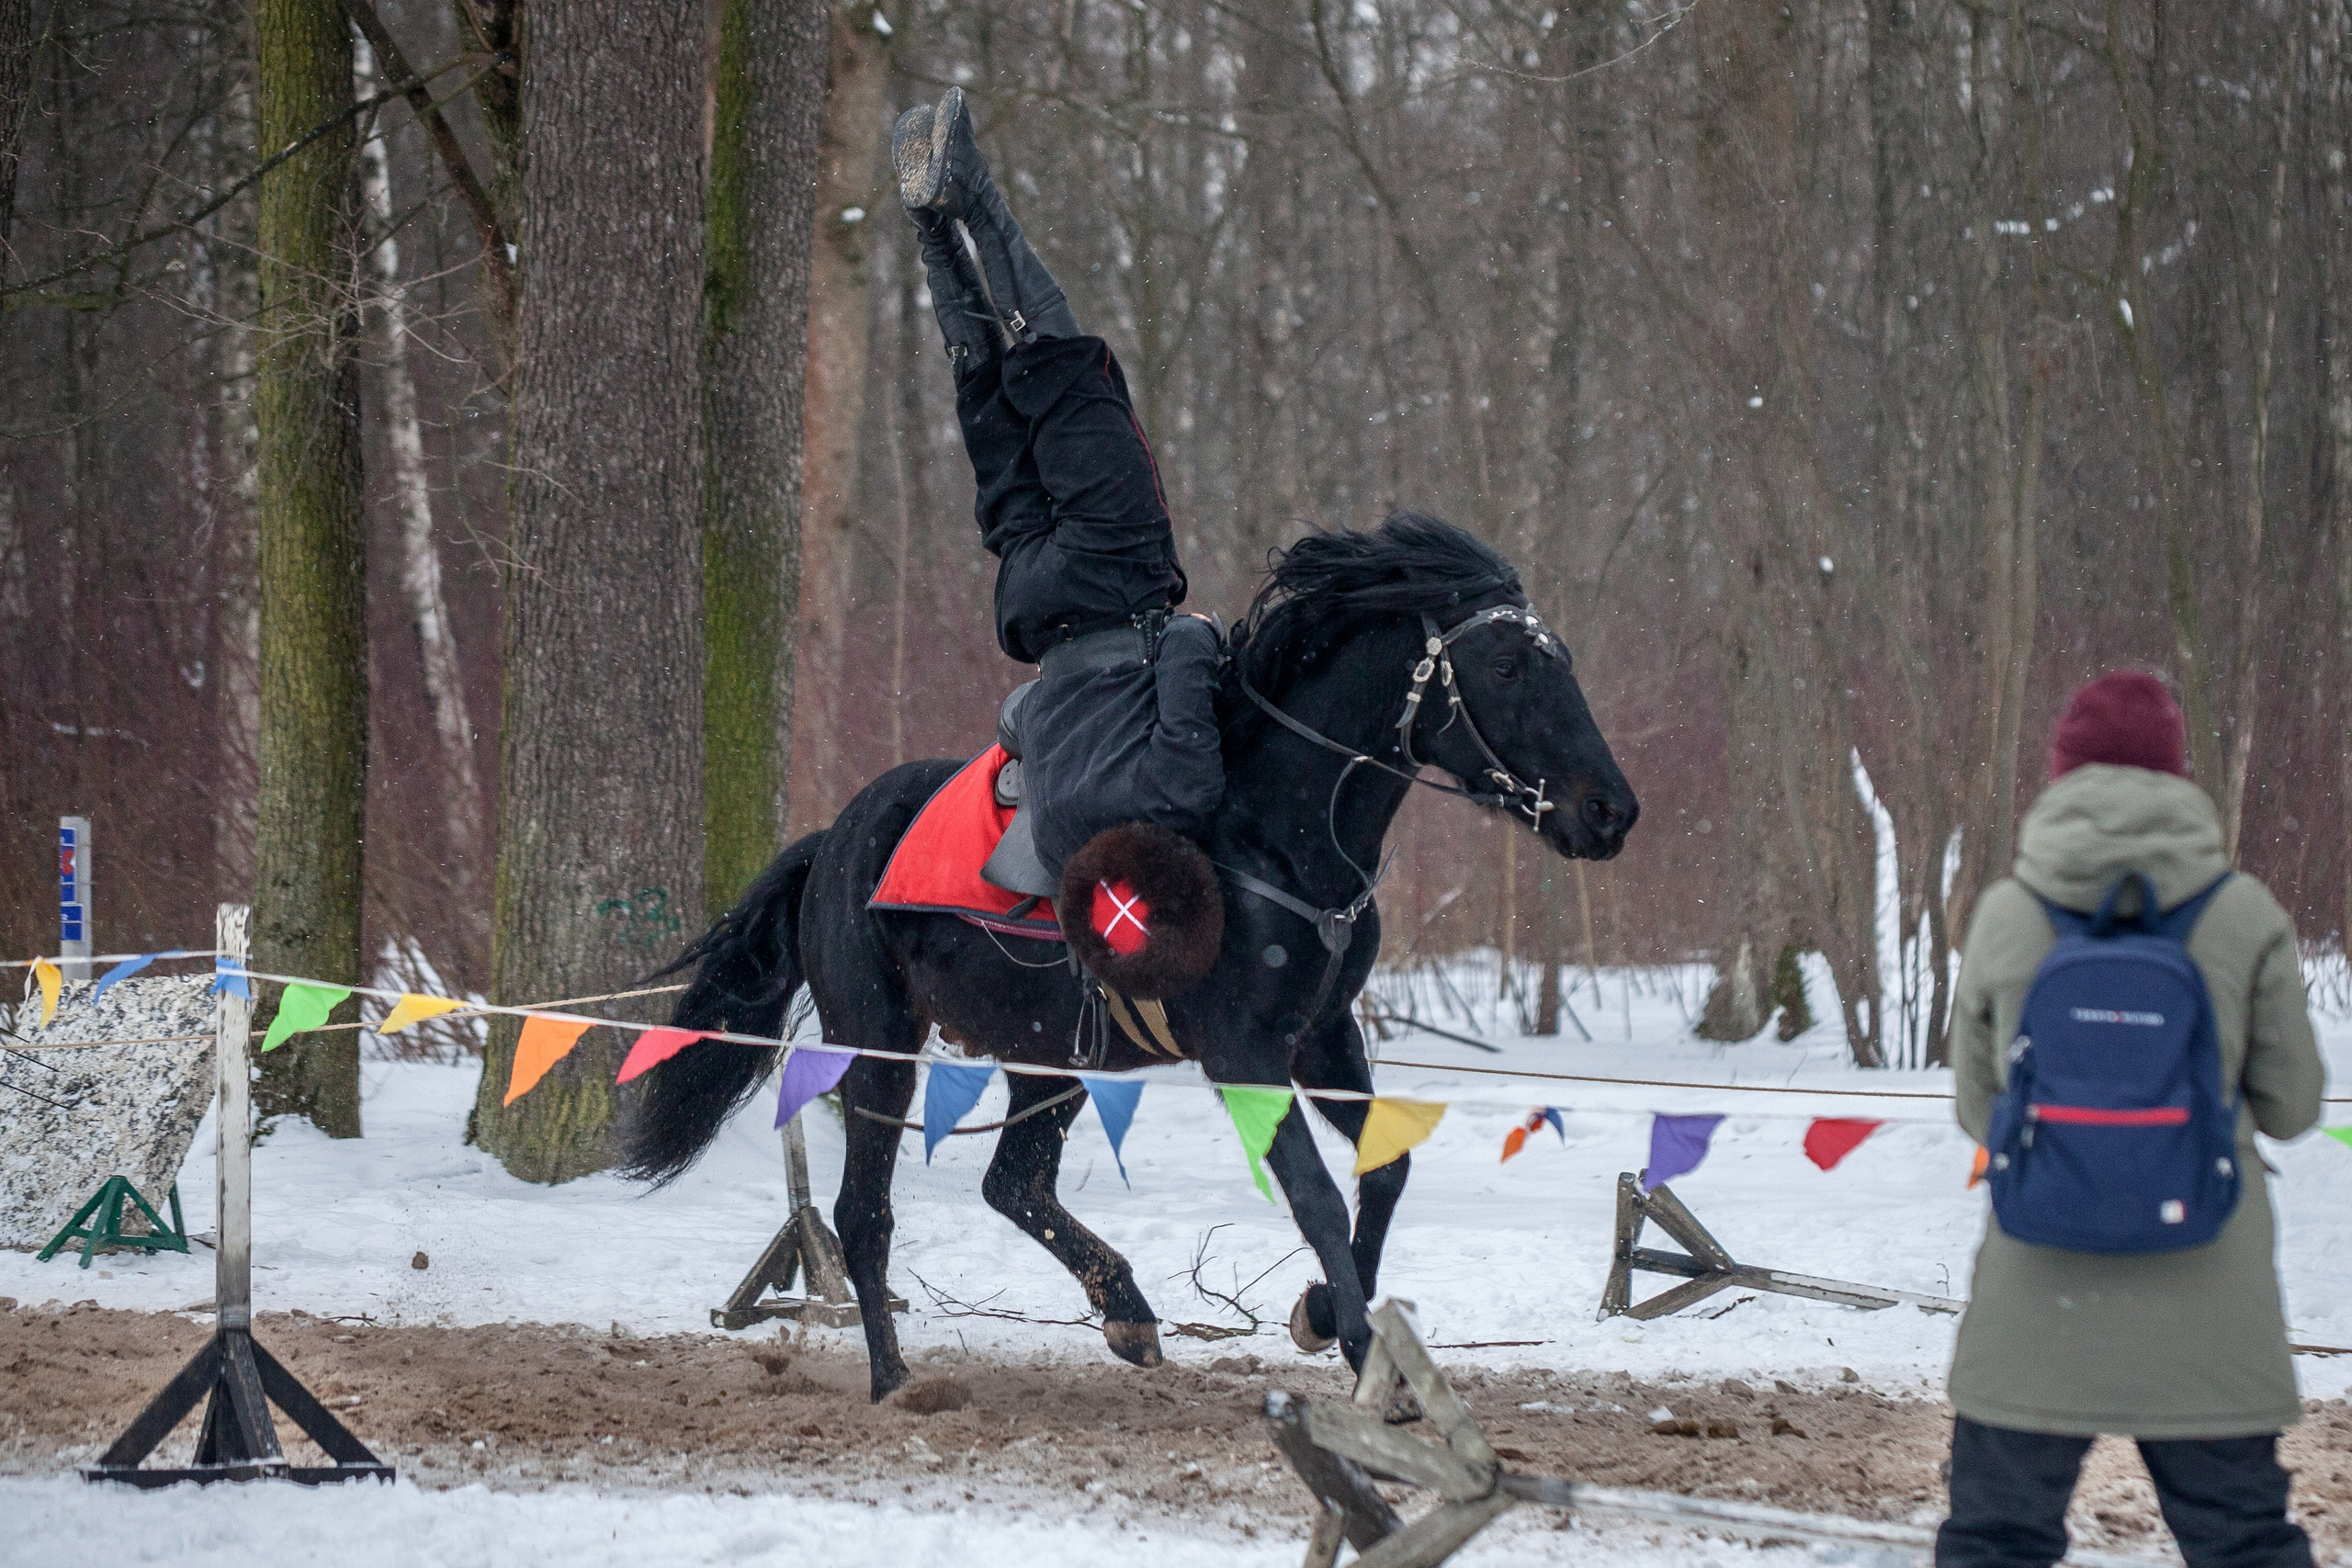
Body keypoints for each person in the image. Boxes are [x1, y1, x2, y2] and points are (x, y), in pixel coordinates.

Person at [1939, 671, 2327, 1568]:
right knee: (2244, 1546)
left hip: (2037, 1302)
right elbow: (2294, 1106)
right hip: (2207, 1300)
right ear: (2178, 776)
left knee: (1994, 1542)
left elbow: (1975, 1110)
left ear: (2059, 776)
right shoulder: (2242, 915)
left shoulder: (2007, 915)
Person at [892, 88, 1226, 994]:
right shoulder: (1059, 830)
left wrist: (1202, 631)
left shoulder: (1178, 801)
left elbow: (1191, 655)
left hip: (1114, 577)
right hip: (1034, 611)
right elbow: (1017, 722)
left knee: (1064, 368)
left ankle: (970, 194)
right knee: (990, 396)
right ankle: (929, 231)